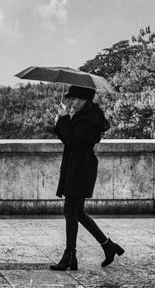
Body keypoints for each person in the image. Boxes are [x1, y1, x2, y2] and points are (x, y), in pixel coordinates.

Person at [49, 85, 124, 271]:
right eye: (70, 99)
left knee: (70, 210)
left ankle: (70, 255)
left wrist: (64, 119)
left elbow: (73, 141)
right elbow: (69, 138)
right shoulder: (85, 115)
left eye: (74, 99)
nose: (71, 102)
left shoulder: (89, 118)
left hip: (80, 168)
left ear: (85, 100)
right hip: (77, 165)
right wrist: (61, 121)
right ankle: (108, 246)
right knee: (78, 212)